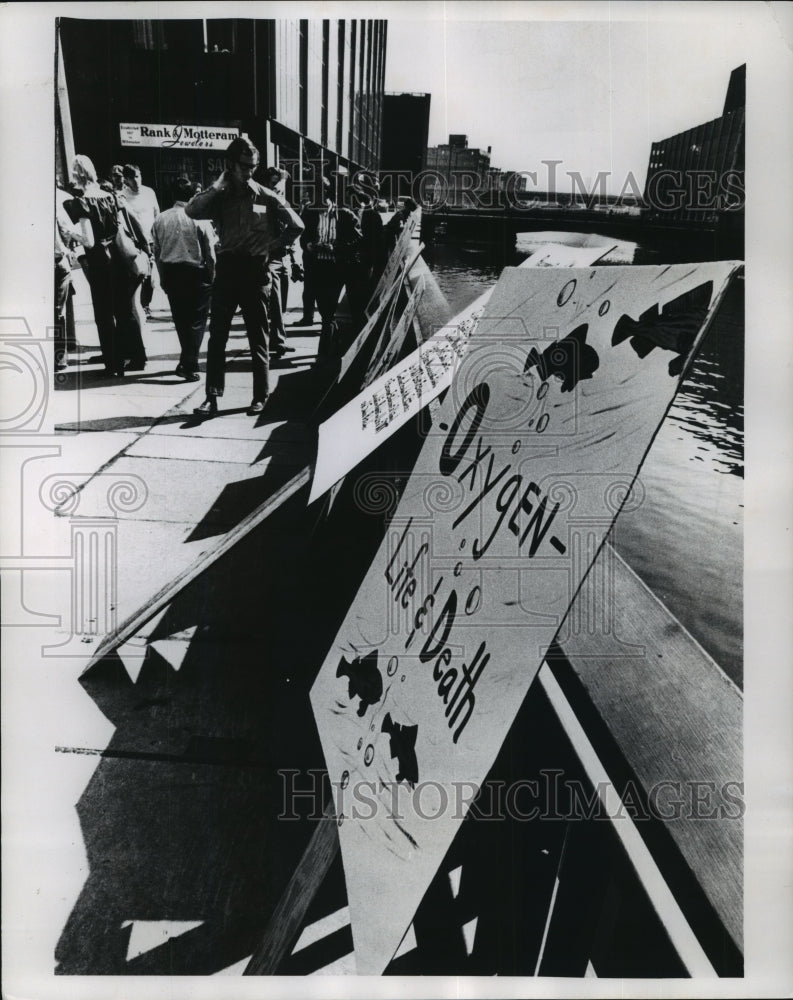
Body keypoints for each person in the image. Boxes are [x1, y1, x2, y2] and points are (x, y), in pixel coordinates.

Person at [185, 137, 304, 417]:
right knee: (217, 338)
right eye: (244, 166)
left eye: (254, 166)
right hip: (227, 269)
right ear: (230, 165)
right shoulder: (221, 196)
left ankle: (260, 396)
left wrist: (270, 247)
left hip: (255, 271)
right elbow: (192, 210)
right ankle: (211, 397)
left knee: (258, 338)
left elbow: (297, 225)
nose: (250, 171)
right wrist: (217, 185)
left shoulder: (266, 195)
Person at [63, 154, 148, 377]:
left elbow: (88, 240)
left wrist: (70, 232)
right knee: (124, 311)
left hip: (100, 263)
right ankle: (138, 357)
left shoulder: (81, 202)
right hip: (119, 260)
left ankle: (113, 364)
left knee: (103, 315)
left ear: (77, 175)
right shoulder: (110, 196)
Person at [151, 175, 216, 381]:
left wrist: (162, 277)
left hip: (171, 272)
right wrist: (213, 277)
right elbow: (210, 252)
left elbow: (157, 250)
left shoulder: (161, 218)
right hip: (196, 273)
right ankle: (188, 363)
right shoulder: (200, 218)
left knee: (181, 320)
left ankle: (187, 360)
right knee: (197, 321)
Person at [300, 177, 366, 362]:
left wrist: (337, 249)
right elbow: (302, 239)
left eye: (313, 193)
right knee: (324, 310)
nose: (309, 197)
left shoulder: (345, 215)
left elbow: (359, 241)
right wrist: (309, 246)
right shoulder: (309, 214)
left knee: (327, 313)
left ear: (324, 194)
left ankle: (323, 355)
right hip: (316, 269)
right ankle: (332, 337)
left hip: (337, 270)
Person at [55, 186, 93, 372]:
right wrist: (67, 249)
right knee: (58, 310)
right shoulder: (56, 200)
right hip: (58, 261)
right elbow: (66, 229)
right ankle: (60, 356)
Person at [262, 166, 295, 360]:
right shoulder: (261, 202)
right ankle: (277, 342)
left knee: (281, 302)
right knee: (273, 302)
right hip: (270, 257)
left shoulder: (282, 201)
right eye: (274, 183)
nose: (278, 186)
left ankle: (277, 339)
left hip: (282, 256)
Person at [122, 164, 160, 316]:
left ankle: (145, 305)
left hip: (151, 238)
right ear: (126, 180)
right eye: (132, 178)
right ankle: (135, 304)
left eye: (137, 176)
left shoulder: (149, 192)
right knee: (139, 272)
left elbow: (157, 213)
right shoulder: (122, 196)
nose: (136, 181)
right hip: (135, 241)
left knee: (150, 273)